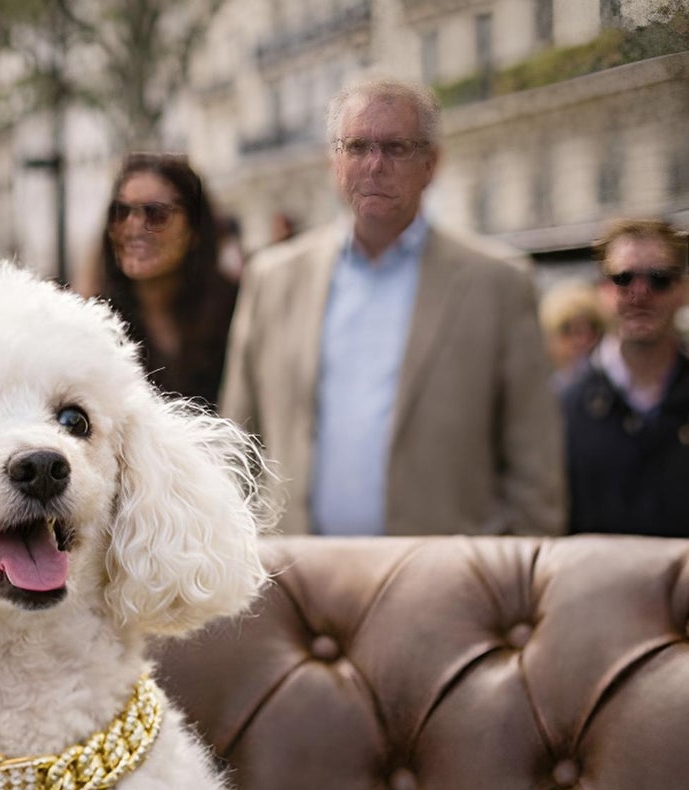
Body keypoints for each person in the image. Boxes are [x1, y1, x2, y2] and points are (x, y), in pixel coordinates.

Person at [220, 76, 565, 536]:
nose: (375, 165)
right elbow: (237, 446)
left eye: (396, 148)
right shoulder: (273, 279)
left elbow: (535, 470)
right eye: (357, 146)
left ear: (432, 163)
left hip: (447, 584)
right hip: (299, 580)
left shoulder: (498, 284)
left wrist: (512, 592)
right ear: (333, 161)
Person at [564, 219, 688, 536]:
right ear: (601, 290)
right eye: (623, 278)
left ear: (683, 290)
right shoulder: (561, 407)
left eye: (659, 279)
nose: (640, 293)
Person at [92, 153, 239, 408]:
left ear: (194, 229)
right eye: (120, 212)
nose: (133, 227)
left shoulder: (238, 311)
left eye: (155, 214)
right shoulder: (96, 325)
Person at [539, 280, 605, 391]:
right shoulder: (542, 389)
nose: (584, 340)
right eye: (568, 330)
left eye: (593, 327)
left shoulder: (612, 383)